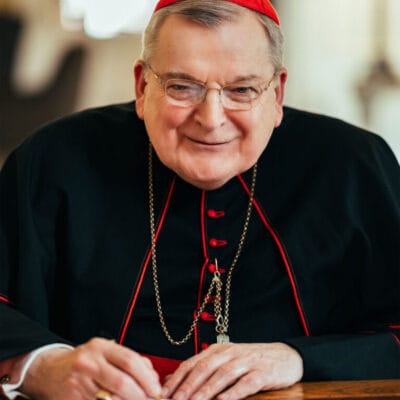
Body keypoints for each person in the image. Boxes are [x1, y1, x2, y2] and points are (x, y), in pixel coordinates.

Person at [0, 0, 399, 399]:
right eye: (181, 86)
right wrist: (40, 365)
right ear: (142, 86)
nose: (211, 119)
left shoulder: (353, 166)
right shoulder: (53, 160)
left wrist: (299, 359)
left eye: (241, 90)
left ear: (277, 94)